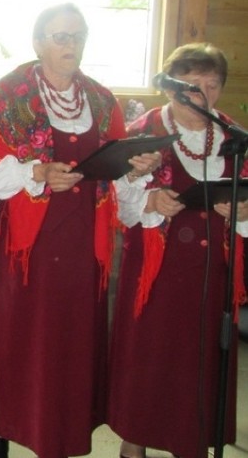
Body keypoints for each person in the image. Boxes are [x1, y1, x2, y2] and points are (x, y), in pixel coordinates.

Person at [0, 3, 159, 458]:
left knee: (74, 343)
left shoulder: (100, 98)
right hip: (31, 247)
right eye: (60, 36)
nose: (71, 45)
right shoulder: (9, 95)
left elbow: (116, 164)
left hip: (85, 243)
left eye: (77, 36)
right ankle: (4, 430)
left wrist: (134, 167)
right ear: (38, 42)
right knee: (27, 342)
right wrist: (37, 173)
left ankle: (65, 437)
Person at [108, 43, 248, 458]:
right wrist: (149, 202)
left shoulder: (234, 137)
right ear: (171, 89)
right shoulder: (141, 133)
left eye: (212, 85)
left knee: (200, 362)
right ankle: (133, 444)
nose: (203, 95)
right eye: (192, 86)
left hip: (212, 272)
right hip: (157, 271)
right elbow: (110, 199)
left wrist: (242, 209)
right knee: (149, 358)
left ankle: (193, 444)